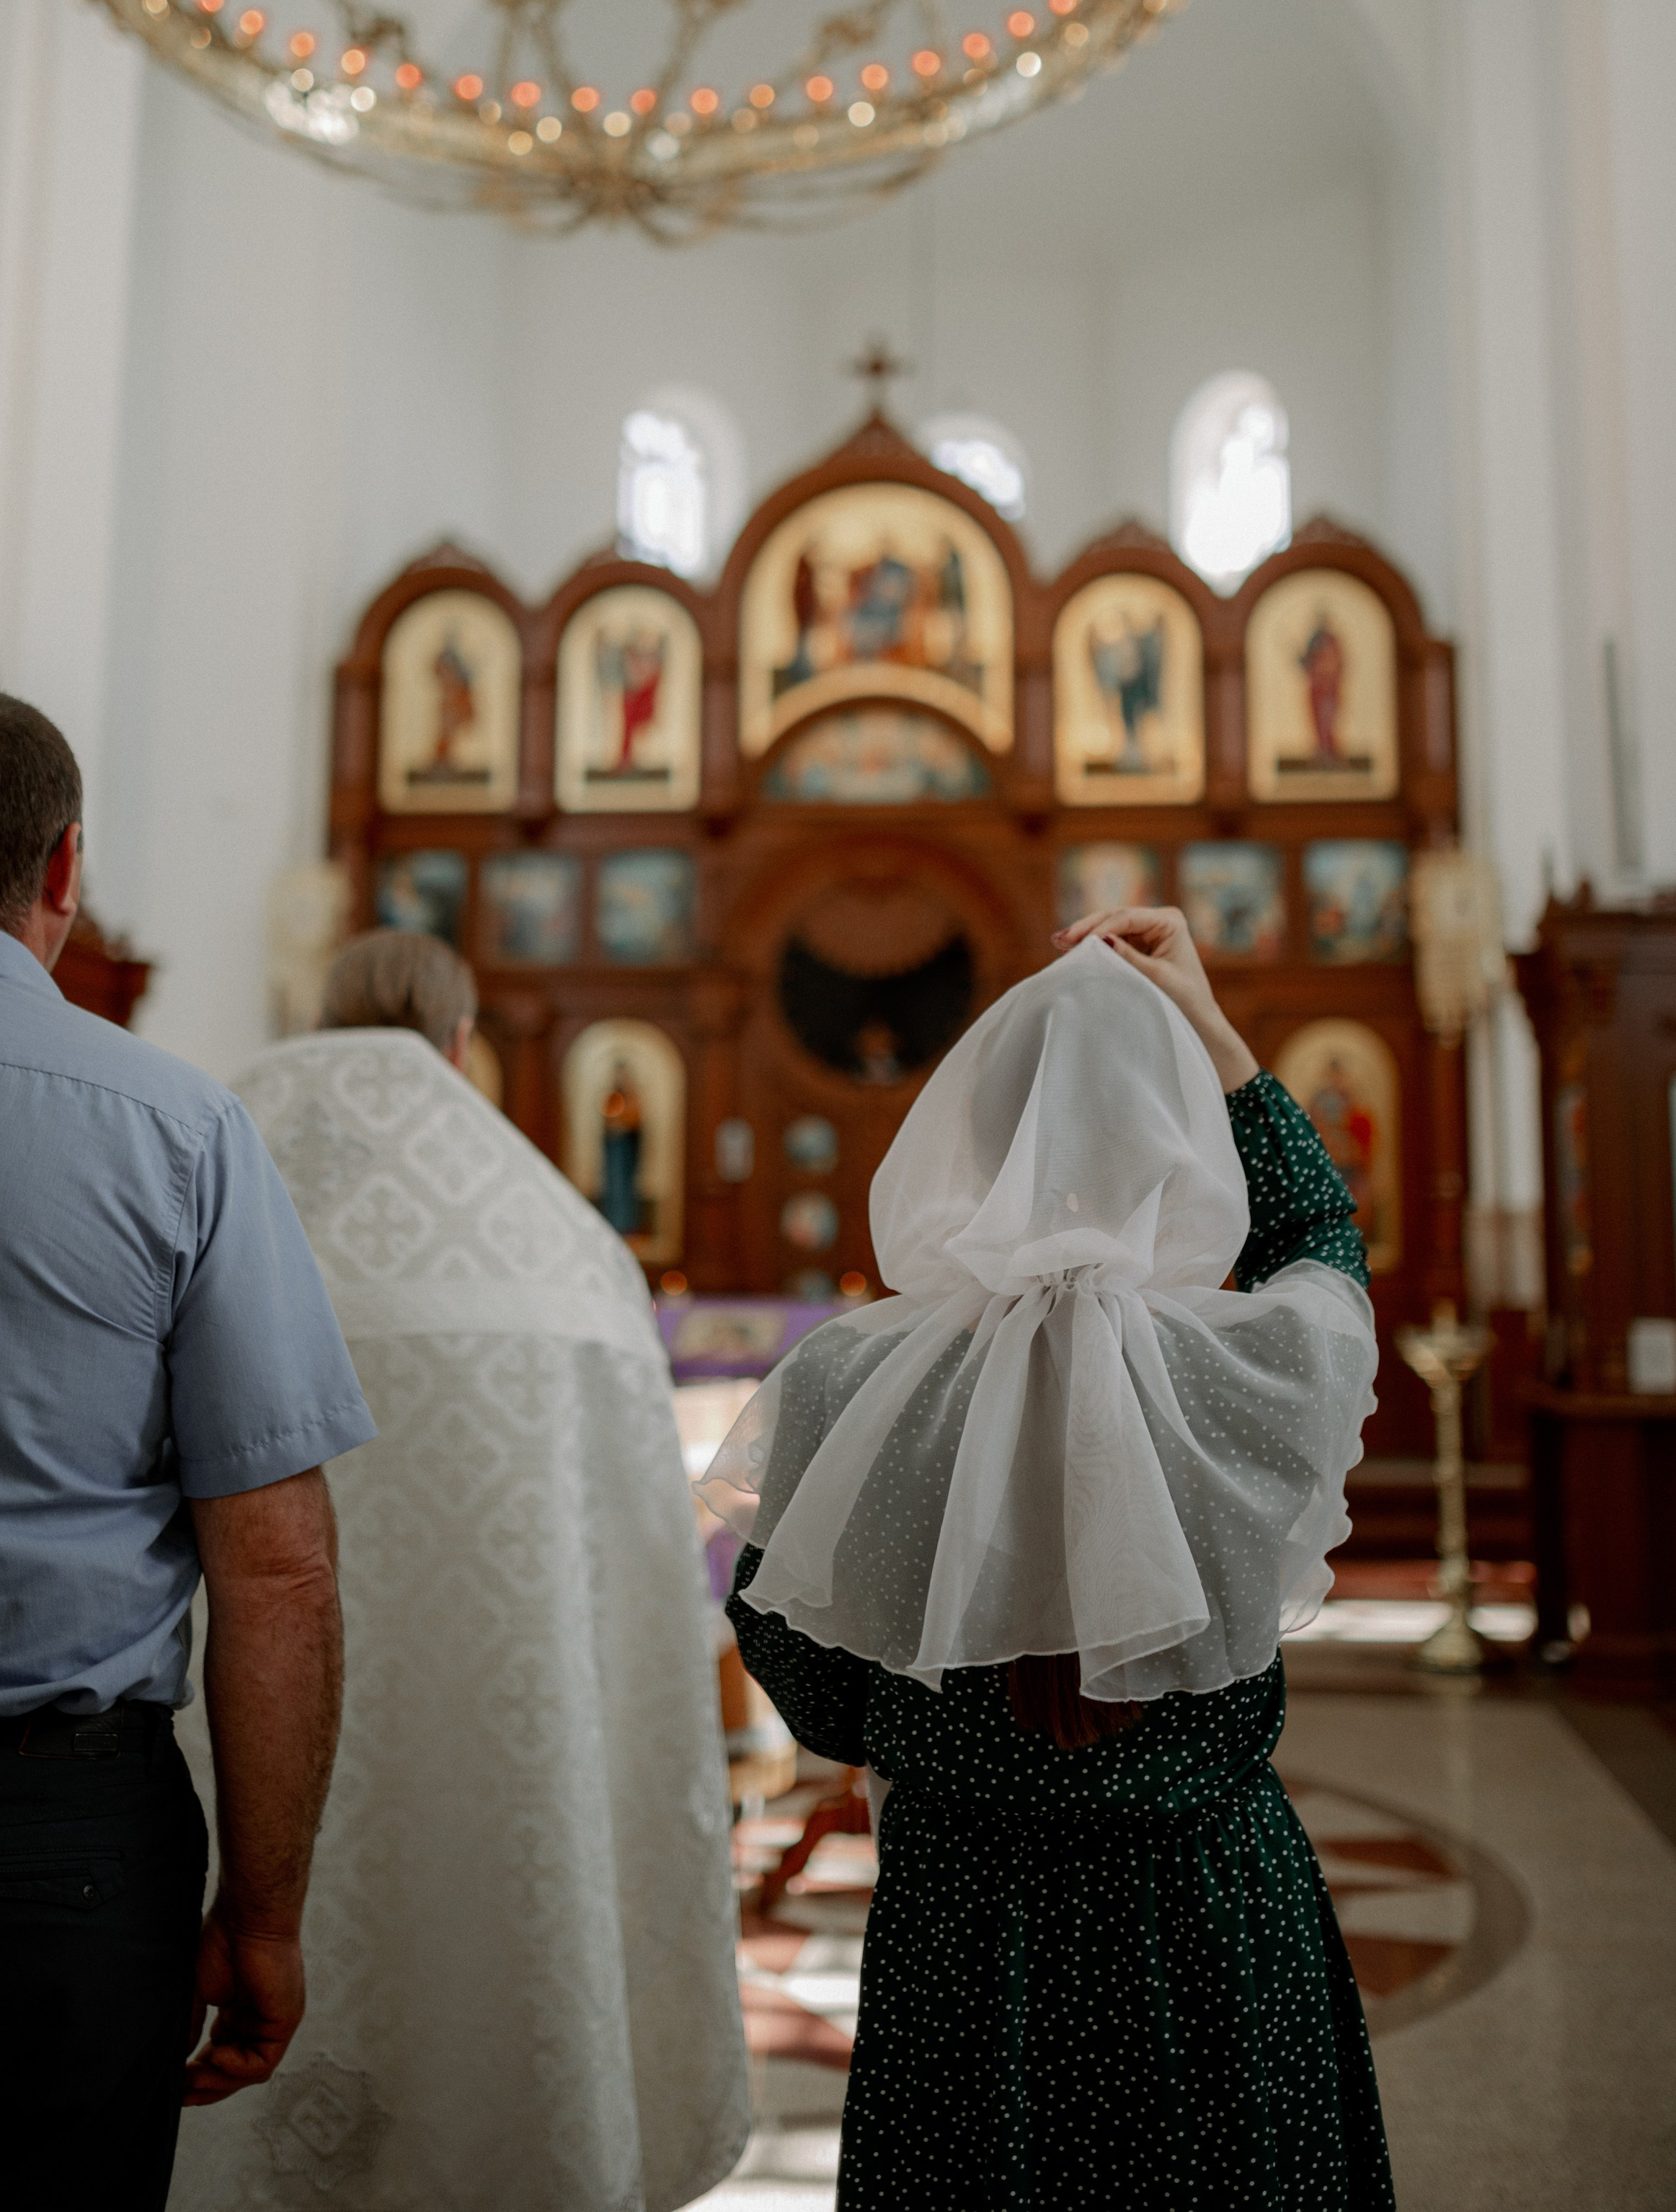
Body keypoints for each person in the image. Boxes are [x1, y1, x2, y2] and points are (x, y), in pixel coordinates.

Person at [703, 906, 1394, 2211]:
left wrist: (924, 1721)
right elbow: (1323, 1240)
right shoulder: (1251, 1368)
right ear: (1180, 1143)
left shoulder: (853, 1380)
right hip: (1211, 1909)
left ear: (970, 1133)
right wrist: (1219, 1031)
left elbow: (801, 1654)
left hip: (966, 1920)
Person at [0, 686, 378, 2209]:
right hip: (45, 1858)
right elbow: (274, 1575)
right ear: (63, 868)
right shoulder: (174, 1128)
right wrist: (263, 1916)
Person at [172, 926, 749, 2212]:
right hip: (504, 1753)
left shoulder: (206, 1163)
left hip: (236, 1731)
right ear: (461, 1044)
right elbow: (633, 1587)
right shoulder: (558, 1239)